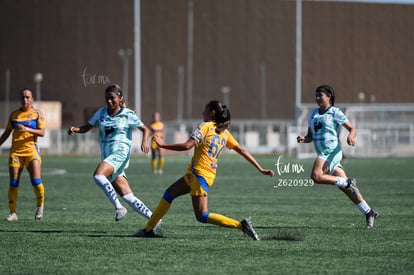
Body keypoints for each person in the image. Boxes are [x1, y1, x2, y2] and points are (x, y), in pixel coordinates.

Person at [132, 100, 275, 240]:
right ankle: (148, 229)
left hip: (199, 175)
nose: (202, 113)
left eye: (205, 110)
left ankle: (241, 226)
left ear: (212, 112)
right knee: (169, 194)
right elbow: (242, 150)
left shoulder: (206, 126)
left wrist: (164, 145)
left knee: (202, 216)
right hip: (199, 175)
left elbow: (188, 146)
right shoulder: (224, 132)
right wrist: (260, 169)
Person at [67, 84, 160, 227]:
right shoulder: (101, 113)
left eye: (112, 98)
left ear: (120, 99)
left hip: (120, 154)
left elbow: (145, 129)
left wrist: (144, 141)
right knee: (128, 196)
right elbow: (87, 127)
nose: (109, 101)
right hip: (109, 158)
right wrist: (76, 129)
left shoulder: (127, 114)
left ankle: (118, 207)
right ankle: (156, 220)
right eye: (107, 98)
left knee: (98, 175)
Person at [297, 84, 378, 229]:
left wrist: (351, 136)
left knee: (316, 176)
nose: (317, 98)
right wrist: (304, 138)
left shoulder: (335, 112)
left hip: (331, 151)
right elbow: (310, 136)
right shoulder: (313, 114)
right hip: (323, 153)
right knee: (348, 189)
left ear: (329, 97)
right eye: (316, 95)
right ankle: (369, 212)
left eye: (320, 95)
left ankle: (346, 182)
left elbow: (352, 128)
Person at [0, 88, 46, 221]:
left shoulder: (37, 114)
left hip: (31, 151)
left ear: (32, 99)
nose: (25, 100)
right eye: (23, 97)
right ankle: (13, 213)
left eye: (27, 97)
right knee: (13, 182)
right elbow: (7, 133)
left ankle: (39, 207)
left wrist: (26, 129)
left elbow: (42, 132)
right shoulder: (14, 115)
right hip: (16, 152)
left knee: (36, 181)